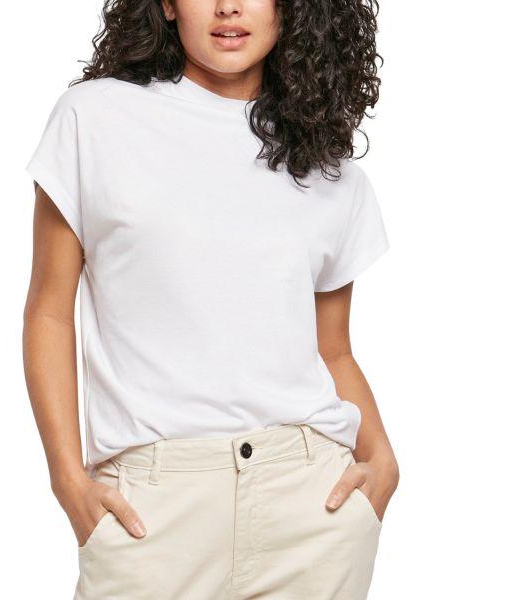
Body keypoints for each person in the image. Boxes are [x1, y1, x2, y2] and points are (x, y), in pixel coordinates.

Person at [22, 0, 399, 598]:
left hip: (311, 504)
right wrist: (68, 481)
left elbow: (333, 351)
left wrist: (382, 462)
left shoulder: (325, 163)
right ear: (167, 5)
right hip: (152, 509)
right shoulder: (94, 119)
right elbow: (49, 310)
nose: (228, 7)